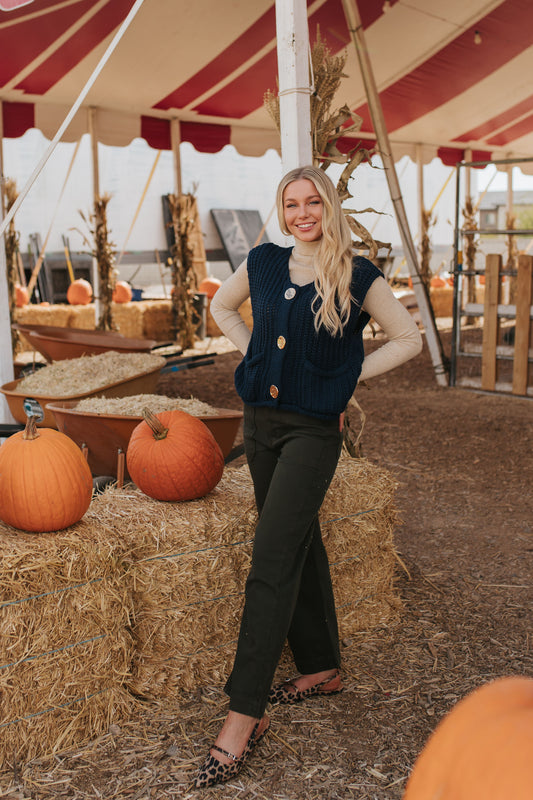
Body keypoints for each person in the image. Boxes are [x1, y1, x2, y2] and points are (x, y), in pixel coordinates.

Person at [194, 165, 422, 788]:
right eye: (290, 203)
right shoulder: (265, 262)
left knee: (270, 558)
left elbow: (408, 338)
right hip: (260, 424)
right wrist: (257, 353)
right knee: (298, 538)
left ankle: (244, 715)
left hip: (312, 430)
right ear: (282, 209)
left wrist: (344, 382)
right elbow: (220, 306)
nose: (301, 213)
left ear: (329, 206)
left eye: (311, 202)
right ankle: (321, 665)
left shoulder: (356, 273)